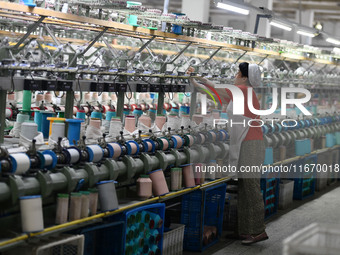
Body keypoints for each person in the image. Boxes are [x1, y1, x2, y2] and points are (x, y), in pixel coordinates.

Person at [188, 62, 268, 245]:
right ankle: (244, 230)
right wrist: (196, 83)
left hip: (251, 144)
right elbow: (216, 95)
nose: (235, 75)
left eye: (238, 72)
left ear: (244, 77)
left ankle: (258, 231)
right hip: (246, 143)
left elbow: (218, 88)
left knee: (251, 189)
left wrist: (203, 78)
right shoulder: (239, 94)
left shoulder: (244, 92)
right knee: (244, 188)